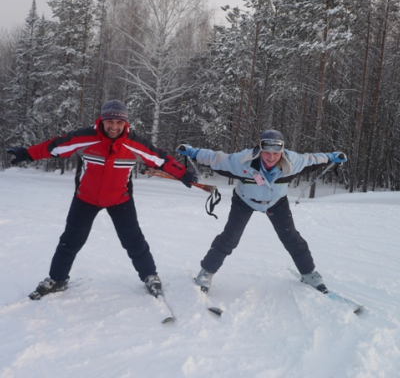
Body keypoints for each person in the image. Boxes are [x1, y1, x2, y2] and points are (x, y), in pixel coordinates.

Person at [8, 100, 197, 300]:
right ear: (102, 120)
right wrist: (27, 154)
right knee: (70, 240)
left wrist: (182, 173)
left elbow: (161, 159)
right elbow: (55, 146)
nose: (114, 127)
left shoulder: (134, 143)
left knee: (133, 240)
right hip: (86, 198)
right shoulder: (86, 137)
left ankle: (150, 276)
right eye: (110, 122)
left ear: (125, 123)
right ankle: (57, 279)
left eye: (119, 122)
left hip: (120, 199)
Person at [177, 129, 346, 294]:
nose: (271, 158)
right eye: (267, 153)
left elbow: (313, 159)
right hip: (244, 200)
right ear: (260, 150)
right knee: (230, 238)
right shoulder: (241, 161)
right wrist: (192, 152)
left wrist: (332, 157)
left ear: (282, 151)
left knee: (291, 238)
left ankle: (308, 273)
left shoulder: (294, 161)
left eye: (276, 153)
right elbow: (216, 158)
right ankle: (206, 272)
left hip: (276, 202)